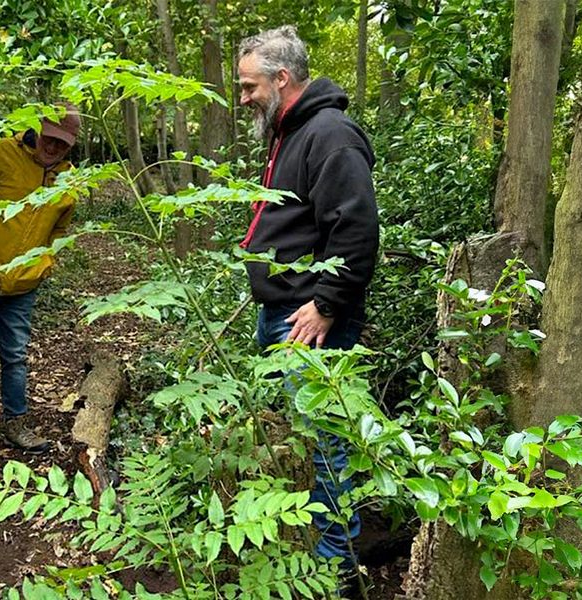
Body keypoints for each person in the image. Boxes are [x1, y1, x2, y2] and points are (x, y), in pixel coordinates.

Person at [236, 26, 380, 567]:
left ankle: (334, 567)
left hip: (310, 320)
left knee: (327, 446)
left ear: (282, 78)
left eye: (250, 86)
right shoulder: (289, 131)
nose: (244, 97)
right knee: (308, 438)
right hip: (285, 312)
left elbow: (358, 230)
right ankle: (314, 547)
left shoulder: (330, 134)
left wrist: (325, 305)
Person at [0, 104, 82, 454]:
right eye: (50, 139)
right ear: (38, 131)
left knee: (15, 355)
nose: (53, 147)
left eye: (62, 144)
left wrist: (45, 264)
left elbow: (61, 228)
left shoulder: (69, 180)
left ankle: (16, 422)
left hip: (23, 282)